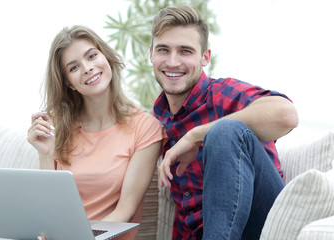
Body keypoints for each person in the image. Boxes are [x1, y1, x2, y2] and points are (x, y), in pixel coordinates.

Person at [150, 6, 299, 240]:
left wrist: (195, 135)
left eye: (185, 51)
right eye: (163, 50)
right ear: (151, 54)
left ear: (205, 57)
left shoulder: (220, 94)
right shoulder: (158, 120)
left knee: (225, 131)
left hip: (264, 225)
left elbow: (286, 114)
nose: (173, 61)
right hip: (208, 232)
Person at [27, 25, 165, 240]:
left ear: (106, 58)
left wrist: (73, 236)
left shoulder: (145, 127)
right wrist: (45, 154)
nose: (87, 68)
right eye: (74, 68)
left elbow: (124, 212)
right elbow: (49, 210)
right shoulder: (58, 127)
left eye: (92, 56)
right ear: (68, 84)